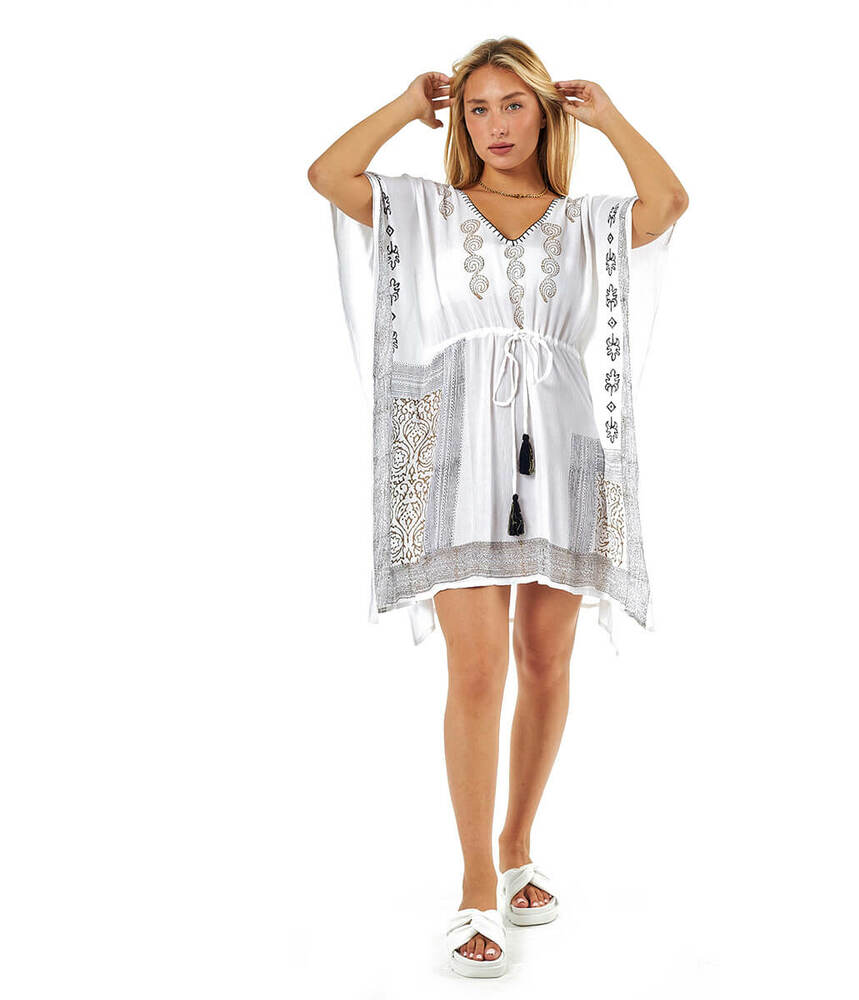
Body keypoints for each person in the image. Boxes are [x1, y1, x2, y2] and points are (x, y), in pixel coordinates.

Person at [308, 36, 688, 978]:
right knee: (476, 669)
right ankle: (477, 882)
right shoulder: (424, 210)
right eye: (477, 107)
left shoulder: (584, 221)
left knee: (546, 660)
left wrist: (611, 118)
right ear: (461, 120)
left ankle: (518, 844)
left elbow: (669, 204)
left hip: (561, 449)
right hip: (460, 452)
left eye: (514, 104)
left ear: (546, 113)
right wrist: (408, 105)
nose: (495, 125)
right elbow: (328, 174)